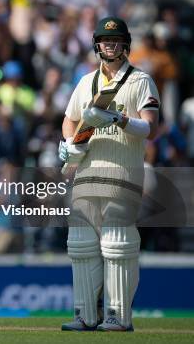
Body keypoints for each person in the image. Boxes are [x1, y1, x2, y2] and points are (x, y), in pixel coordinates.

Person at [58, 17, 160, 332]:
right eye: (104, 40)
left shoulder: (140, 80)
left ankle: (117, 316)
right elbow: (69, 119)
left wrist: (118, 118)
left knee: (118, 245)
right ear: (97, 44)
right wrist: (66, 145)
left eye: (115, 40)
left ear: (125, 43)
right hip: (87, 176)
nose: (110, 45)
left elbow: (151, 128)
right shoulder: (86, 81)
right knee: (80, 244)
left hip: (123, 176)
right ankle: (85, 315)